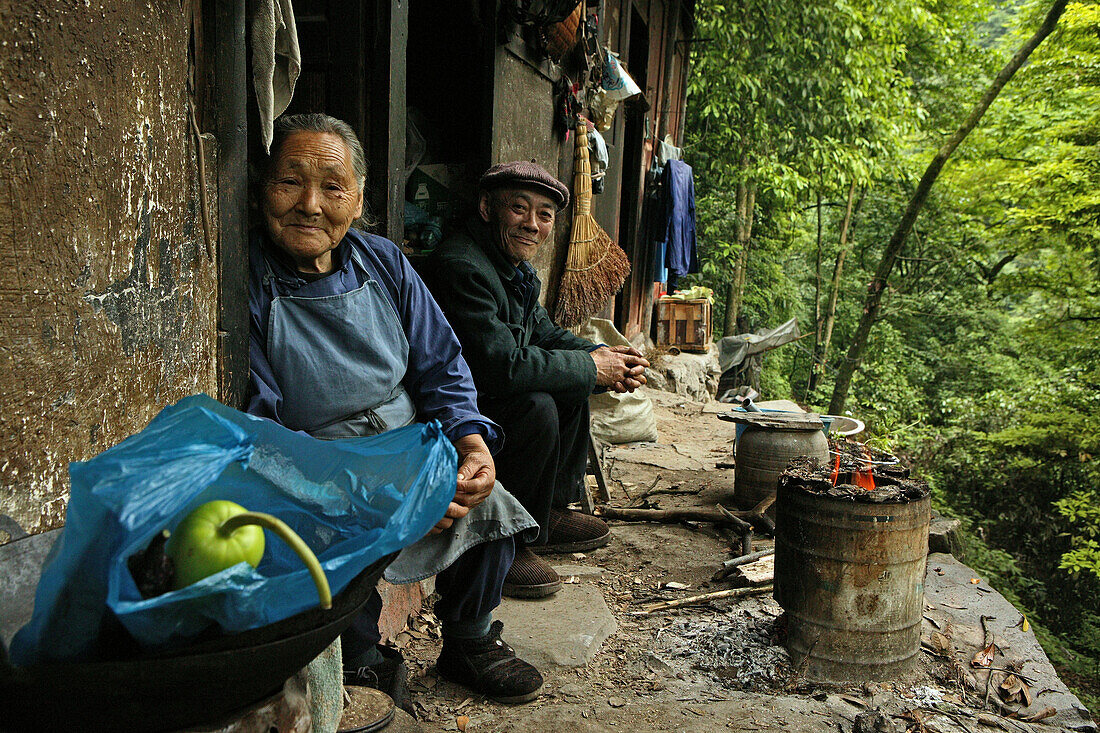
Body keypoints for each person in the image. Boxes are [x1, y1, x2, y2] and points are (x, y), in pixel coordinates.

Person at [246, 114, 543, 706]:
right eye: (289, 183)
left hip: (412, 443)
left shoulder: (382, 262)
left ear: (357, 200)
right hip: (326, 465)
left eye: (332, 188)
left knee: (489, 508)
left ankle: (470, 639)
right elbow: (264, 427)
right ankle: (359, 658)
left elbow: (442, 364)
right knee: (325, 544)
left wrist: (469, 440)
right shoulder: (249, 281)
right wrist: (381, 495)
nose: (310, 205)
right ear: (261, 190)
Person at [425, 161, 650, 598]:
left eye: (544, 215)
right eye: (519, 209)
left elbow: (545, 334)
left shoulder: (516, 268)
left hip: (491, 389)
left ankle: (548, 511)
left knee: (569, 385)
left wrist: (601, 357)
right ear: (488, 209)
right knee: (538, 405)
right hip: (457, 409)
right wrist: (591, 369)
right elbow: (500, 366)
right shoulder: (462, 265)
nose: (532, 224)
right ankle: (510, 541)